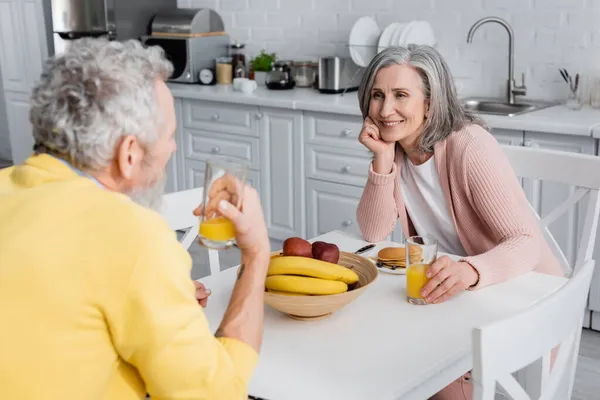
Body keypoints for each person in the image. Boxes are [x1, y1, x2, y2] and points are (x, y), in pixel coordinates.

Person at [0, 37, 271, 399]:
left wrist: (151, 291)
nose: (173, 147)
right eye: (170, 136)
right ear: (129, 154)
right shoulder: (130, 236)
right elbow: (218, 394)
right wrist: (256, 253)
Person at [355, 45, 563, 399]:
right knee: (375, 350)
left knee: (421, 368)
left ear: (431, 103)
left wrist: (470, 270)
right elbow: (373, 232)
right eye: (377, 95)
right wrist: (382, 161)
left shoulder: (469, 147)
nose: (385, 109)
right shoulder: (399, 150)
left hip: (526, 298)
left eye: (401, 95)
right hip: (456, 297)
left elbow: (525, 240)